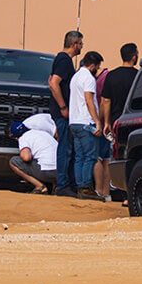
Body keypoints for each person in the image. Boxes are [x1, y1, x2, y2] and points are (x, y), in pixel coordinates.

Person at [99, 43, 139, 202]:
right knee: (133, 157)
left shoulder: (111, 76)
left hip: (116, 122)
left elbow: (106, 101)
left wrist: (107, 122)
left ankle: (108, 192)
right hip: (135, 121)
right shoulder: (138, 75)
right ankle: (130, 194)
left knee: (113, 156)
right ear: (134, 57)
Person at [49, 31, 83, 197]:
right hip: (63, 113)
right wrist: (63, 107)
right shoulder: (64, 60)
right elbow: (53, 83)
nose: (82, 47)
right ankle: (63, 185)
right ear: (74, 44)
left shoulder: (62, 60)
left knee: (68, 147)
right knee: (65, 148)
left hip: (63, 113)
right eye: (81, 44)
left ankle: (67, 183)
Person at [68, 50, 105, 200]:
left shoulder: (75, 77)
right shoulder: (88, 78)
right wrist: (97, 121)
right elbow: (89, 100)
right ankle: (85, 187)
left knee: (79, 157)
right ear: (93, 65)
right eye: (98, 66)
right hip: (85, 121)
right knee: (90, 156)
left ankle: (80, 187)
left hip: (74, 121)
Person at [7, 112, 57, 194]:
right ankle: (56, 187)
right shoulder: (41, 132)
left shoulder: (23, 138)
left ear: (16, 138)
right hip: (62, 172)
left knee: (14, 161)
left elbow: (26, 157)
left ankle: (40, 187)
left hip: (49, 172)